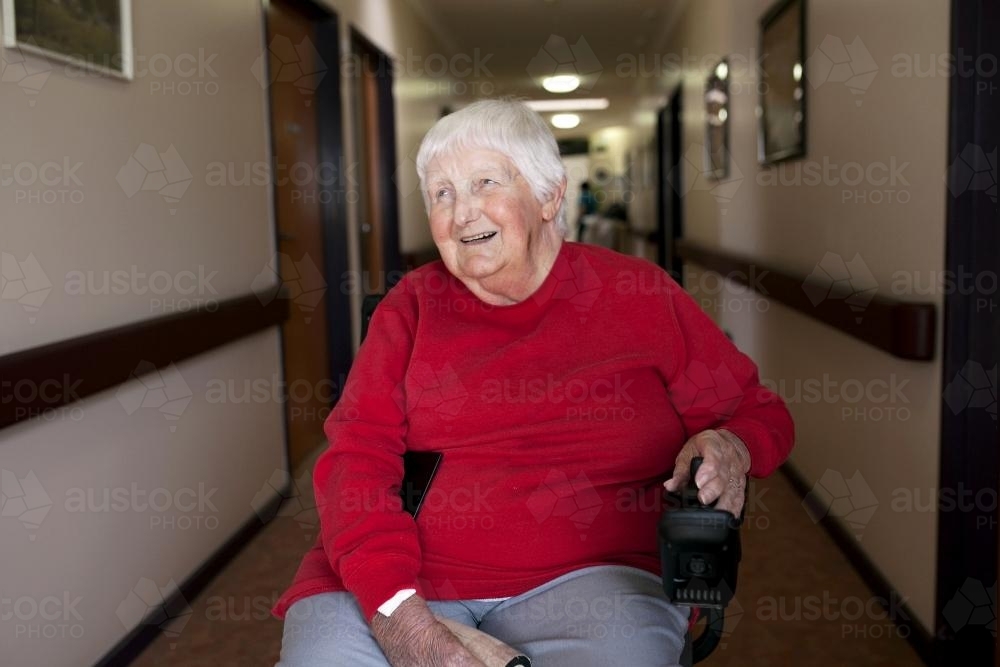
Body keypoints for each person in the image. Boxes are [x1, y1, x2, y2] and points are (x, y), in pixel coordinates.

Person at [272, 100, 794, 667]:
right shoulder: (411, 308)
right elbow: (356, 457)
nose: (462, 212)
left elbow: (754, 408)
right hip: (401, 579)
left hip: (593, 578)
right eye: (441, 194)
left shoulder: (639, 295)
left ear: (549, 196)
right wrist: (401, 614)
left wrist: (732, 446)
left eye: (485, 183)